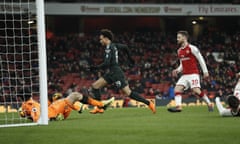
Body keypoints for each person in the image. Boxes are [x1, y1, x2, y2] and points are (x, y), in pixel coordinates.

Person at [89, 29, 156, 114]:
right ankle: (99, 107)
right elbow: (125, 47)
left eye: (101, 39)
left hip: (116, 73)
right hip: (111, 72)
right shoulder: (114, 45)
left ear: (106, 38)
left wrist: (95, 68)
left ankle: (149, 103)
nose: (100, 41)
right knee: (95, 86)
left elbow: (106, 63)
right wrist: (130, 58)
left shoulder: (109, 47)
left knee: (128, 93)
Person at [167, 30, 213, 112]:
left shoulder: (192, 48)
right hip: (185, 75)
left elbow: (201, 59)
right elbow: (182, 64)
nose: (177, 39)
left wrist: (205, 72)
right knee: (177, 89)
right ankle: (178, 107)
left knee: (196, 90)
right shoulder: (179, 51)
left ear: (184, 38)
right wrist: (177, 70)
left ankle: (209, 103)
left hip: (193, 74)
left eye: (179, 37)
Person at [19, 92, 115, 122]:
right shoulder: (31, 105)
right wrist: (53, 118)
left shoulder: (25, 105)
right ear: (30, 94)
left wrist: (51, 100)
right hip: (55, 111)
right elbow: (37, 117)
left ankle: (96, 107)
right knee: (75, 95)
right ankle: (101, 105)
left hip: (53, 110)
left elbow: (36, 114)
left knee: (68, 98)